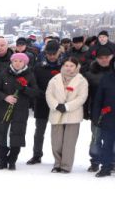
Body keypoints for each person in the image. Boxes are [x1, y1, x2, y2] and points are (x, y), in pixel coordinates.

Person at [0, 52, 40, 170]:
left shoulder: (29, 75)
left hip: (20, 111)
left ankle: (12, 160)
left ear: (25, 63)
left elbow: (36, 92)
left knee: (16, 136)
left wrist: (24, 89)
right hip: (4, 110)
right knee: (3, 134)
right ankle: (2, 160)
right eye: (15, 61)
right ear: (11, 62)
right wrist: (5, 97)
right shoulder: (4, 73)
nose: (17, 63)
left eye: (20, 61)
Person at [45, 58, 88, 173]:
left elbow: (82, 97)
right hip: (57, 112)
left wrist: (67, 106)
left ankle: (66, 166)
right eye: (66, 65)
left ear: (76, 67)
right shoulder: (54, 79)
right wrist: (56, 105)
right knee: (56, 142)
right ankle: (57, 163)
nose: (68, 68)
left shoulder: (81, 80)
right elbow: (48, 94)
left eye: (71, 66)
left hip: (72, 114)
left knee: (69, 142)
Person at [28, 41, 63, 165]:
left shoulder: (64, 66)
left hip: (59, 103)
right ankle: (37, 154)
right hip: (42, 101)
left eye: (54, 53)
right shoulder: (38, 67)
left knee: (58, 132)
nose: (52, 56)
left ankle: (59, 157)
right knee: (39, 131)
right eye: (49, 54)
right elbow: (33, 84)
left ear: (59, 52)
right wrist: (42, 95)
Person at [82, 44, 112, 172]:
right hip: (96, 110)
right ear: (97, 58)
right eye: (101, 57)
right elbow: (85, 94)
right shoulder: (90, 74)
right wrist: (85, 110)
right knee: (96, 138)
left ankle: (111, 161)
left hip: (112, 111)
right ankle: (95, 161)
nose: (104, 60)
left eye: (107, 57)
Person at [92, 51, 115, 177]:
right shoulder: (107, 78)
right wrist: (96, 116)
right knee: (107, 144)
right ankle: (106, 167)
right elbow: (99, 99)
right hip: (109, 117)